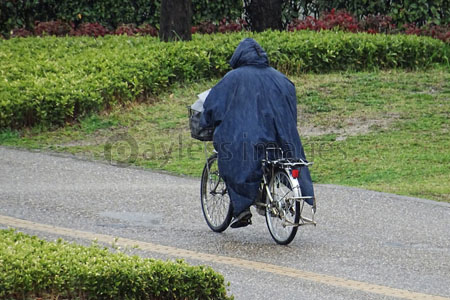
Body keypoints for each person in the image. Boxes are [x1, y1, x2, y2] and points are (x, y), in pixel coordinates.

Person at [200, 38, 314, 228]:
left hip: (248, 138)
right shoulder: (281, 79)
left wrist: (206, 121)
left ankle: (242, 210)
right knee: (275, 160)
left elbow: (212, 105)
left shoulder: (232, 78)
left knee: (232, 159)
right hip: (281, 138)